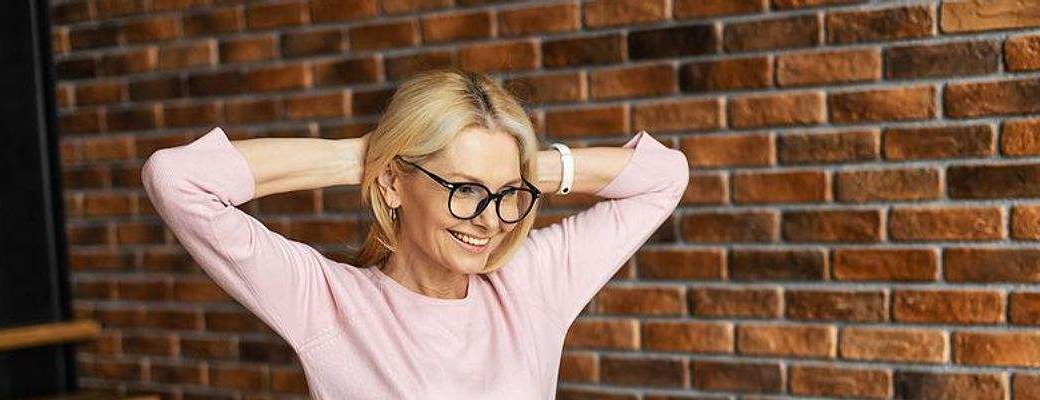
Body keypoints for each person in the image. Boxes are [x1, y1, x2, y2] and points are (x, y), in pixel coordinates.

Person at [140, 68, 689, 398]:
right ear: (394, 184)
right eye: (465, 190)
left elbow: (665, 177)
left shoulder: (531, 284)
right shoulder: (327, 303)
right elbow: (178, 179)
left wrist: (519, 168)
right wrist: (365, 156)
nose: (492, 219)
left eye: (505, 196)